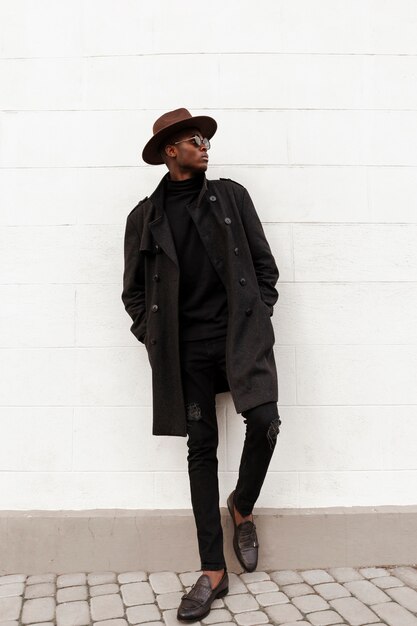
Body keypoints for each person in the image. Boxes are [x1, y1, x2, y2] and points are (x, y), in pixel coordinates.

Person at [122, 108, 282, 621]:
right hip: (184, 352)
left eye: (204, 139)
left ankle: (243, 504)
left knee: (264, 422)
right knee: (201, 448)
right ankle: (212, 570)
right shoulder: (143, 218)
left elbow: (264, 266)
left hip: (238, 337)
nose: (204, 144)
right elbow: (133, 293)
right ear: (171, 150)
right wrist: (154, 338)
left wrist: (259, 315)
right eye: (195, 139)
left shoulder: (232, 196)